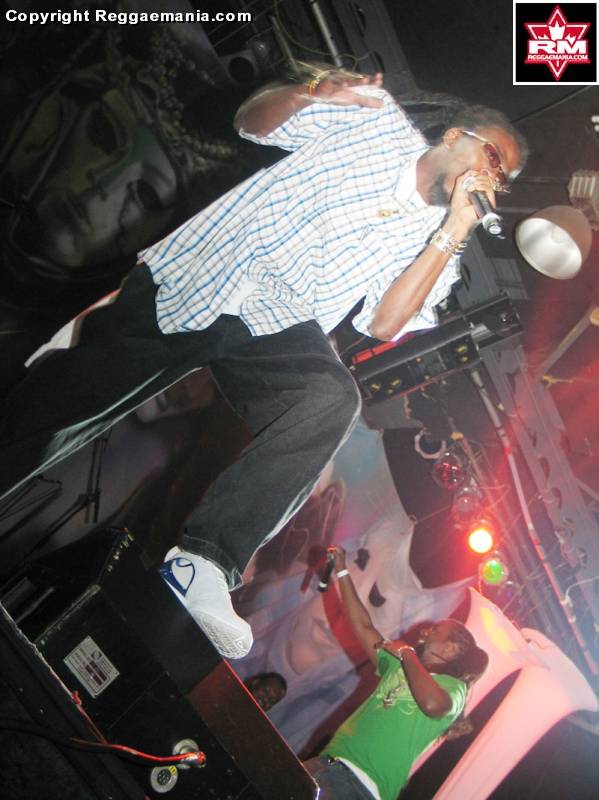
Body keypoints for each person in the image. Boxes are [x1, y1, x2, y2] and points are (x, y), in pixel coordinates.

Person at [0, 68, 526, 660]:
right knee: (65, 409)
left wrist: (453, 228)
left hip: (276, 321)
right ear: (454, 135)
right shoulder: (375, 118)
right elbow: (250, 122)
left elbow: (382, 324)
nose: (492, 177)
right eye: (491, 156)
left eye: (502, 179)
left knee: (329, 397)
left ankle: (204, 562)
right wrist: (309, 91)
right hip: (202, 274)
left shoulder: (442, 244)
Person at [303, 547, 488, 800]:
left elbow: (433, 704)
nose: (425, 632)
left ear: (450, 648)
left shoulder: (454, 688)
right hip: (329, 762)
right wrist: (342, 571)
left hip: (360, 786)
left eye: (434, 630)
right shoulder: (399, 665)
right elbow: (363, 625)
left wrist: (407, 653)